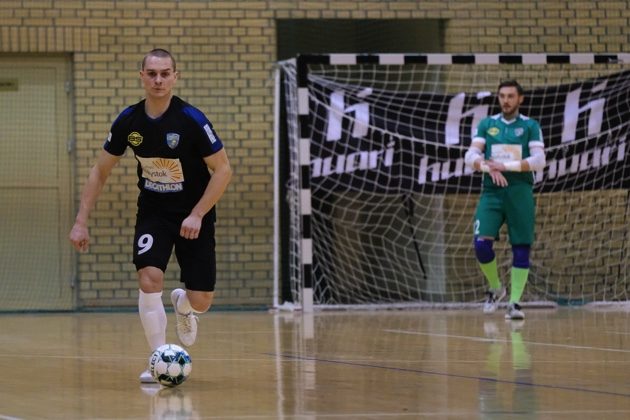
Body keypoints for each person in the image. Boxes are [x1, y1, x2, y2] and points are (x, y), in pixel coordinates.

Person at [69, 48, 232, 383]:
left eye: (165, 73)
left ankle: (185, 306)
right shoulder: (129, 121)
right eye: (152, 73)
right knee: (148, 278)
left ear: (175, 76)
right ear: (141, 76)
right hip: (154, 213)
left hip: (193, 215)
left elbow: (223, 170)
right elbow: (100, 171)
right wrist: (80, 220)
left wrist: (198, 214)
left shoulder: (192, 120)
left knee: (202, 300)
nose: (159, 80)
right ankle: (157, 361)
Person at [464, 79, 546, 320]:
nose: (506, 100)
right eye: (502, 96)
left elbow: (539, 160)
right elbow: (470, 155)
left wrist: (505, 165)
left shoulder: (530, 126)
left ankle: (514, 304)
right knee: (481, 244)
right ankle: (496, 287)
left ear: (520, 99)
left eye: (511, 96)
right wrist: (489, 167)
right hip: (492, 191)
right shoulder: (487, 125)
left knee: (521, 247)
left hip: (519, 191)